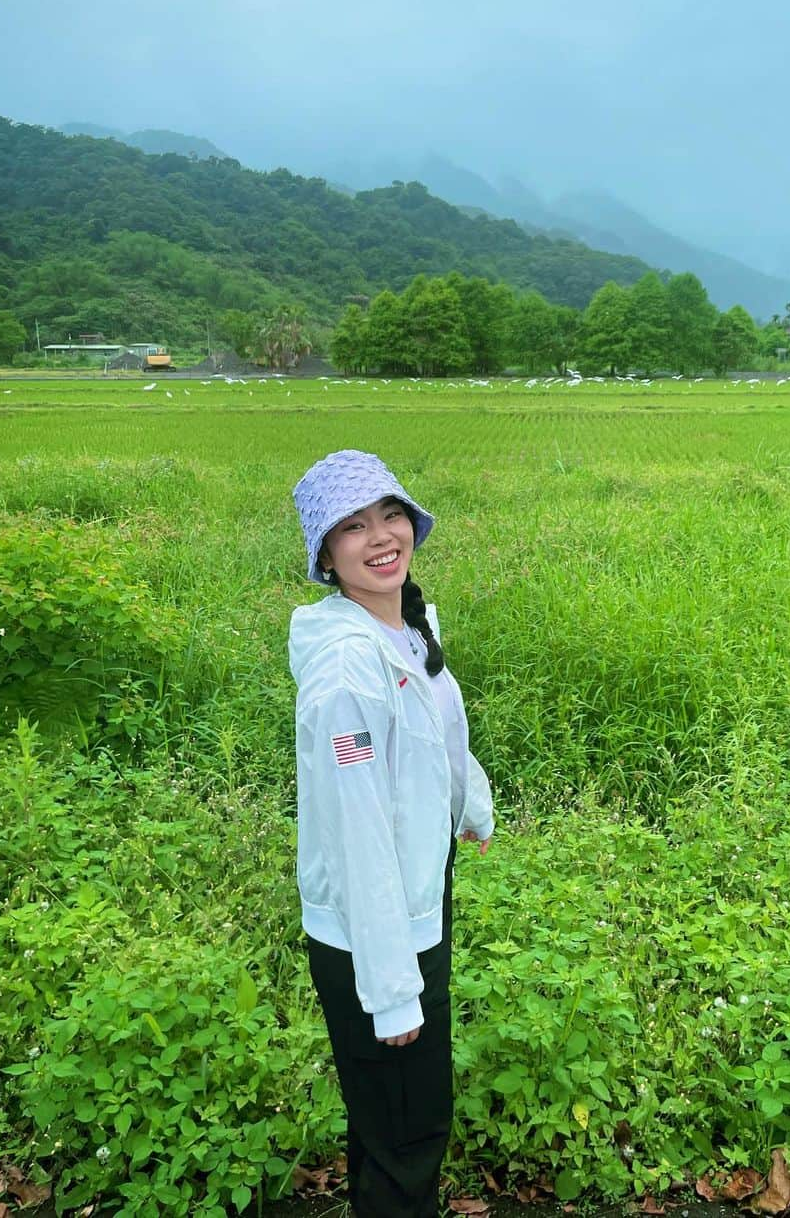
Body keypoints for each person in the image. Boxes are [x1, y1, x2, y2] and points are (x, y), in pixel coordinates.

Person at [290, 449, 494, 1218]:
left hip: (413, 894)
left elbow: (441, 732)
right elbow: (359, 835)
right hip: (372, 931)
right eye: (352, 526)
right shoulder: (346, 674)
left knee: (391, 1119)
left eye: (390, 514)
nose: (380, 537)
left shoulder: (403, 627)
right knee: (408, 1128)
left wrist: (469, 809)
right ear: (325, 555)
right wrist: (392, 993)